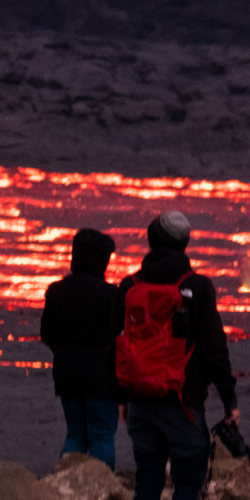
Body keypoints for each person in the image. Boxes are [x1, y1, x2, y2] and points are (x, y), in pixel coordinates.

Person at [110, 211, 239, 500]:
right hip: (183, 401)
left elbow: (115, 344)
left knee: (147, 480)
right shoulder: (198, 287)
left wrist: (121, 397)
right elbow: (214, 348)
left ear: (151, 240)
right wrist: (229, 400)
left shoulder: (129, 286)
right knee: (188, 483)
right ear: (185, 243)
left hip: (139, 399)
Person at [40, 228, 119, 468]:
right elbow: (119, 336)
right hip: (101, 375)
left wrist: (64, 350)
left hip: (66, 370)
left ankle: (66, 485)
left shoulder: (56, 290)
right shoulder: (111, 295)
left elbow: (47, 333)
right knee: (102, 434)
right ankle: (101, 489)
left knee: (75, 433)